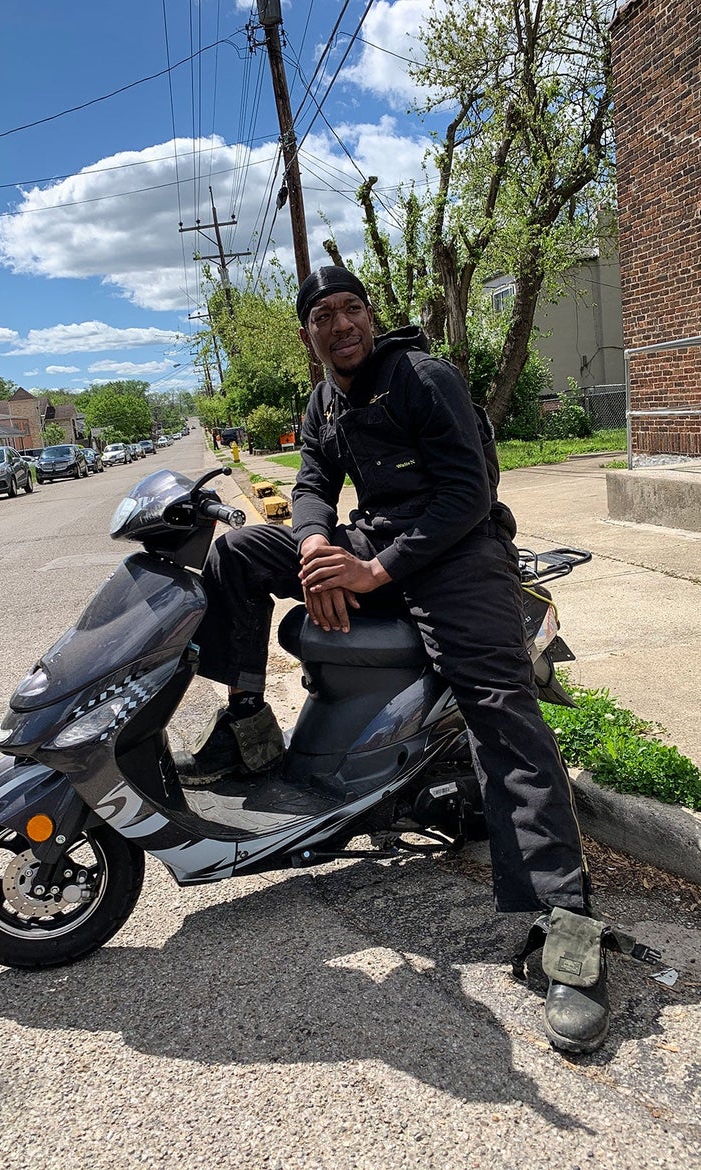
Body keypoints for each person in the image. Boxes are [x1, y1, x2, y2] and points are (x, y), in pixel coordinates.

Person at [177, 265, 608, 1054]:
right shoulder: (323, 400)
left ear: (370, 318)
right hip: (374, 542)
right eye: (324, 317)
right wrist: (313, 547)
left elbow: (466, 494)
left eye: (353, 309)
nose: (342, 325)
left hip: (458, 553)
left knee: (500, 711)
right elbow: (311, 482)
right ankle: (247, 728)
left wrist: (372, 572)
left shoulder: (422, 376)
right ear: (309, 336)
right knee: (237, 554)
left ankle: (569, 935)